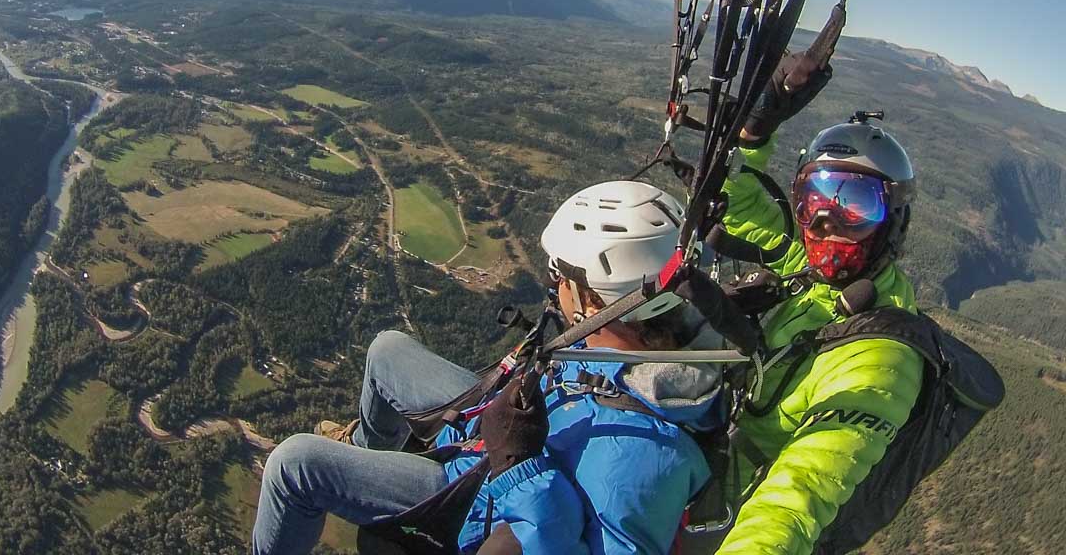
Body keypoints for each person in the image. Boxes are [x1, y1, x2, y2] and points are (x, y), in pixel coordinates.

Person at [252, 180, 723, 555]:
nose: (553, 284)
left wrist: (519, 465)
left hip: (480, 498)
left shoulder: (644, 461)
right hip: (493, 440)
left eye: (561, 277)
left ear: (595, 300)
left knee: (294, 467)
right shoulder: (639, 352)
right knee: (387, 349)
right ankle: (367, 450)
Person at [705, 47, 926, 554]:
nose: (825, 225)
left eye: (854, 206)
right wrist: (756, 130)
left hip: (728, 510)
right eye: (814, 201)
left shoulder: (882, 357)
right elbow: (729, 196)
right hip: (706, 441)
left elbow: (793, 500)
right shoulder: (805, 267)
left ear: (891, 221)